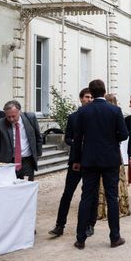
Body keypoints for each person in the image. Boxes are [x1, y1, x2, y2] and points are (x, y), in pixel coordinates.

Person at [70, 79, 128, 249]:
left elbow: (77, 138)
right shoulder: (115, 110)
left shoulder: (83, 111)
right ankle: (114, 237)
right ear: (104, 92)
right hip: (110, 159)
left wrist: (76, 160)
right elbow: (124, 134)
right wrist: (111, 140)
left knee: (86, 197)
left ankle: (80, 239)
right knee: (112, 197)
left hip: (89, 159)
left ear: (92, 93)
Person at [49, 88, 96, 238]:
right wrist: (75, 142)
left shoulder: (97, 116)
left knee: (90, 195)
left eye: (91, 97)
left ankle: (90, 224)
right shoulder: (73, 117)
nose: (89, 100)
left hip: (92, 161)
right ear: (81, 98)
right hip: (76, 160)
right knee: (67, 193)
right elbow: (67, 137)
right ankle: (59, 225)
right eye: (87, 97)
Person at [0, 100, 43, 181]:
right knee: (9, 188)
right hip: (8, 162)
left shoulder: (30, 118)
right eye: (8, 117)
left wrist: (37, 154)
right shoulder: (0, 123)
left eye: (14, 116)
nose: (11, 119)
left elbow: (38, 136)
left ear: (19, 112)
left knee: (26, 188)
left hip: (27, 161)